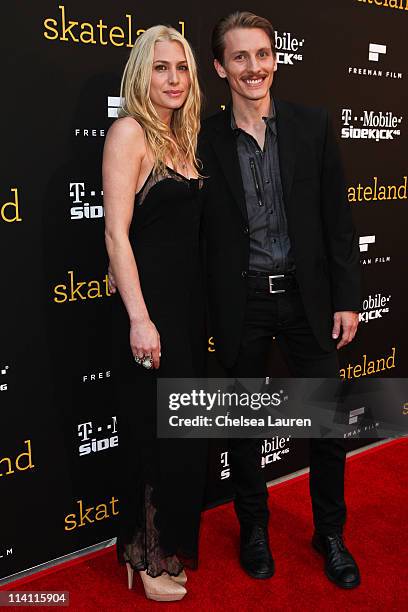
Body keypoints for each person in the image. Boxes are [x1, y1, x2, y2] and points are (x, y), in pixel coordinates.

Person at [197, 11, 362, 589]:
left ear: (276, 59)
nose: (253, 67)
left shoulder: (312, 125)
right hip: (242, 303)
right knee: (242, 427)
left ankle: (331, 533)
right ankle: (254, 528)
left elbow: (337, 221)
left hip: (306, 299)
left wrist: (347, 297)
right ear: (220, 67)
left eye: (262, 54)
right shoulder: (203, 139)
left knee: (328, 427)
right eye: (239, 57)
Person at [103, 24, 207, 602]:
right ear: (142, 74)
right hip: (150, 312)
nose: (173, 79)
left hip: (187, 313)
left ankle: (162, 542)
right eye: (161, 67)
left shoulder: (182, 138)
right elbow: (116, 236)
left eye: (182, 68)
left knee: (179, 438)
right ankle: (142, 553)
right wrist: (139, 318)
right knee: (150, 435)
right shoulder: (129, 133)